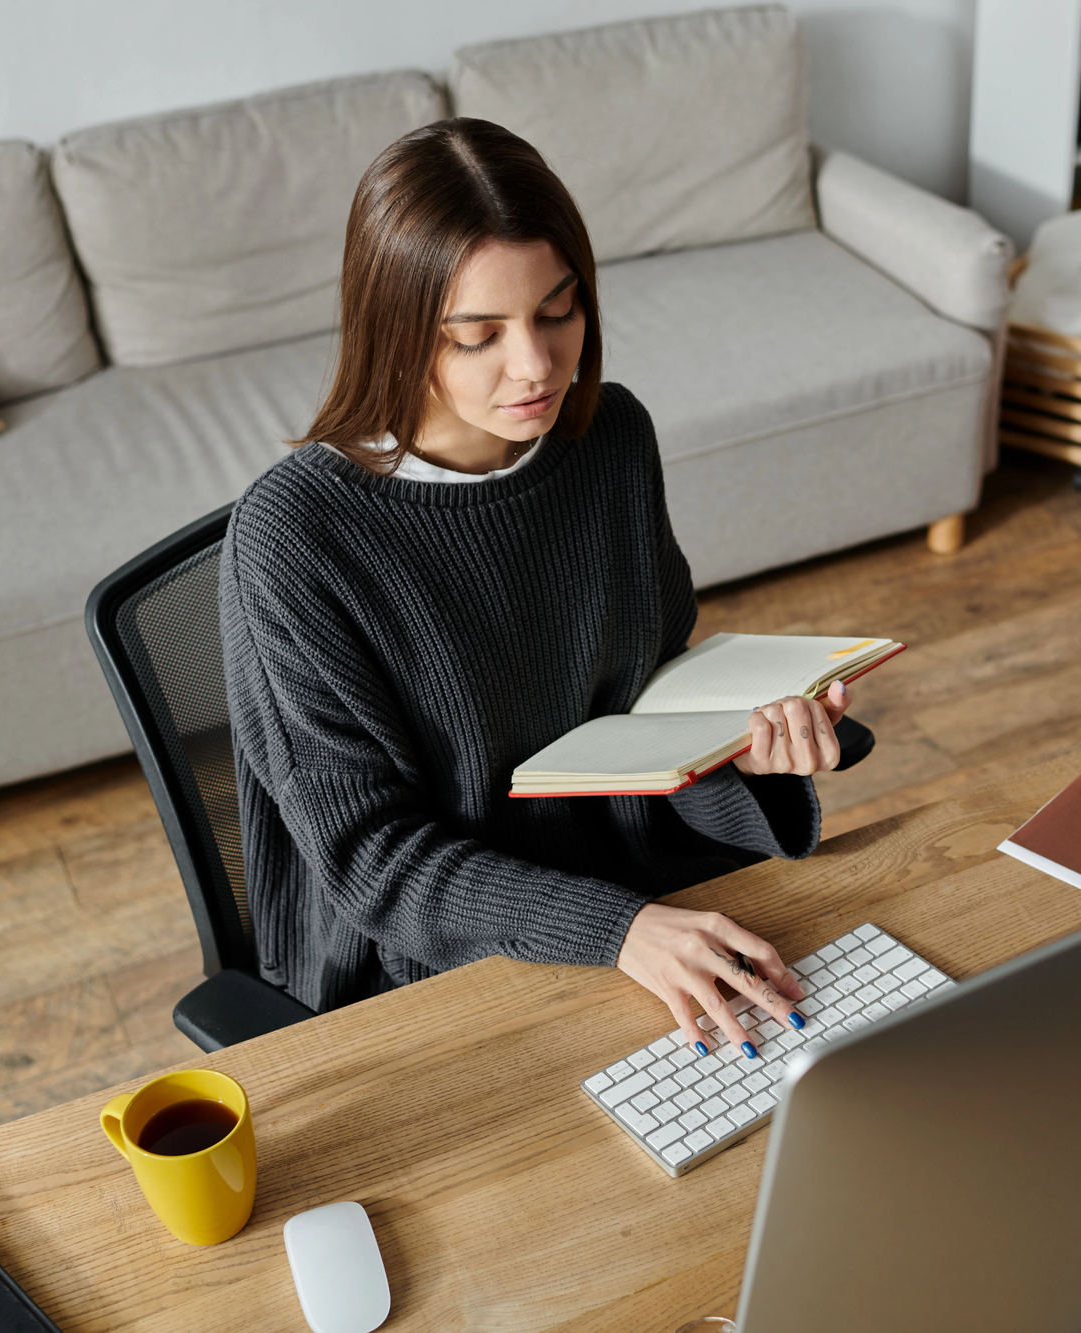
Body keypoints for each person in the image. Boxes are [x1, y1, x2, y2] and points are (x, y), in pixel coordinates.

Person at [219, 118, 854, 1063]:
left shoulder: (610, 438)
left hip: (638, 894)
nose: (538, 365)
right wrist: (619, 931)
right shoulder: (294, 542)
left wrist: (742, 752)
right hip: (435, 960)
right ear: (396, 334)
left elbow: (644, 695)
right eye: (478, 335)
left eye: (559, 312)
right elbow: (370, 860)